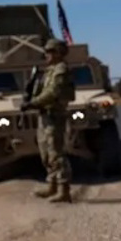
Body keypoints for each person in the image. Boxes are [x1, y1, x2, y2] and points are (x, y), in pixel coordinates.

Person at [21, 38, 75, 203]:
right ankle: (52, 185)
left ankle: (64, 190)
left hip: (54, 116)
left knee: (56, 154)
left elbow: (53, 92)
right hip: (44, 116)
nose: (46, 55)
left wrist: (33, 103)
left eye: (50, 51)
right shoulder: (50, 70)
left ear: (58, 53)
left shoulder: (61, 70)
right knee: (45, 153)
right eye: (46, 51)